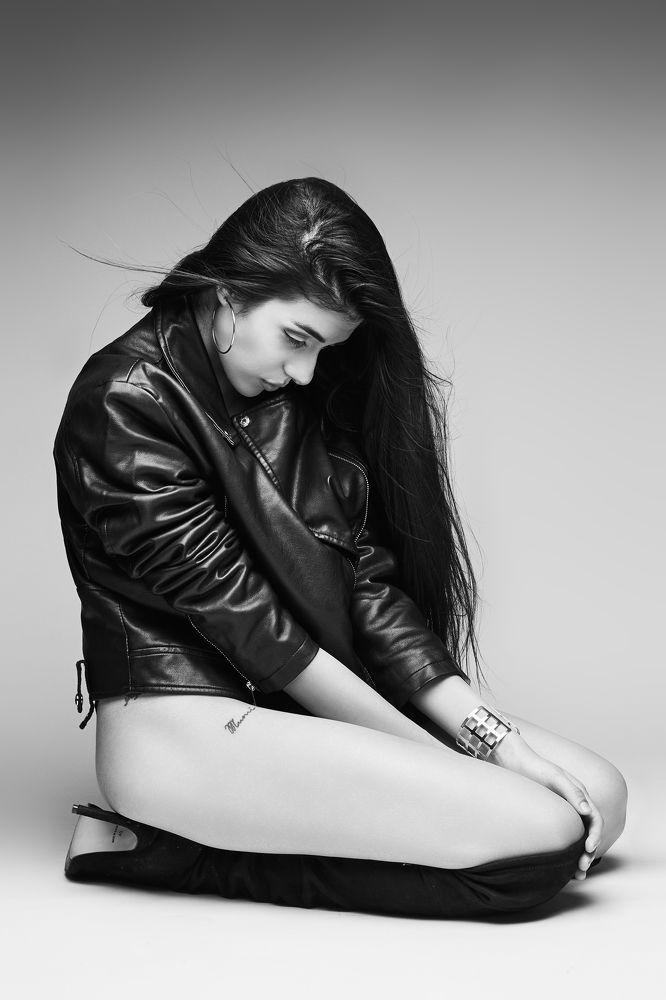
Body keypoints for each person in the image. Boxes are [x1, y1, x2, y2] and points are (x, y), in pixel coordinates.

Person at [53, 177, 627, 919]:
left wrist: (495, 743)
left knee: (602, 799)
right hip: (185, 719)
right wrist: (445, 763)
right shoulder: (124, 400)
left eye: (325, 348)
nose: (305, 371)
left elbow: (369, 586)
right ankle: (163, 850)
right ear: (228, 293)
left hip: (295, 703)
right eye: (297, 338)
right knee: (538, 842)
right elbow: (251, 626)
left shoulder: (293, 392)